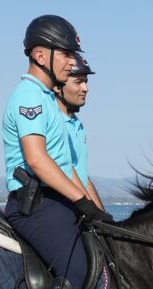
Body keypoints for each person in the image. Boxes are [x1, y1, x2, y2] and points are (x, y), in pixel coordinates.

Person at [1, 15, 113, 289]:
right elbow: (37, 160)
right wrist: (82, 202)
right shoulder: (29, 96)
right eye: (65, 53)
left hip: (57, 201)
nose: (71, 61)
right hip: (34, 204)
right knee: (75, 267)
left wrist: (100, 215)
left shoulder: (49, 100)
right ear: (39, 54)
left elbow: (74, 171)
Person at [55, 55, 105, 209]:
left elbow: (81, 176)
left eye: (86, 82)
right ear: (57, 87)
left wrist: (102, 216)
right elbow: (65, 172)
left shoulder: (76, 124)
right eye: (78, 82)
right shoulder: (55, 122)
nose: (85, 88)